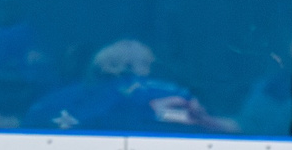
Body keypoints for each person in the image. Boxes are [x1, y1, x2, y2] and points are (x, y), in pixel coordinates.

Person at [25, 39, 236, 134]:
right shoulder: (168, 94)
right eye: (150, 65)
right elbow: (207, 123)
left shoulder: (54, 101)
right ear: (143, 66)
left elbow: (31, 123)